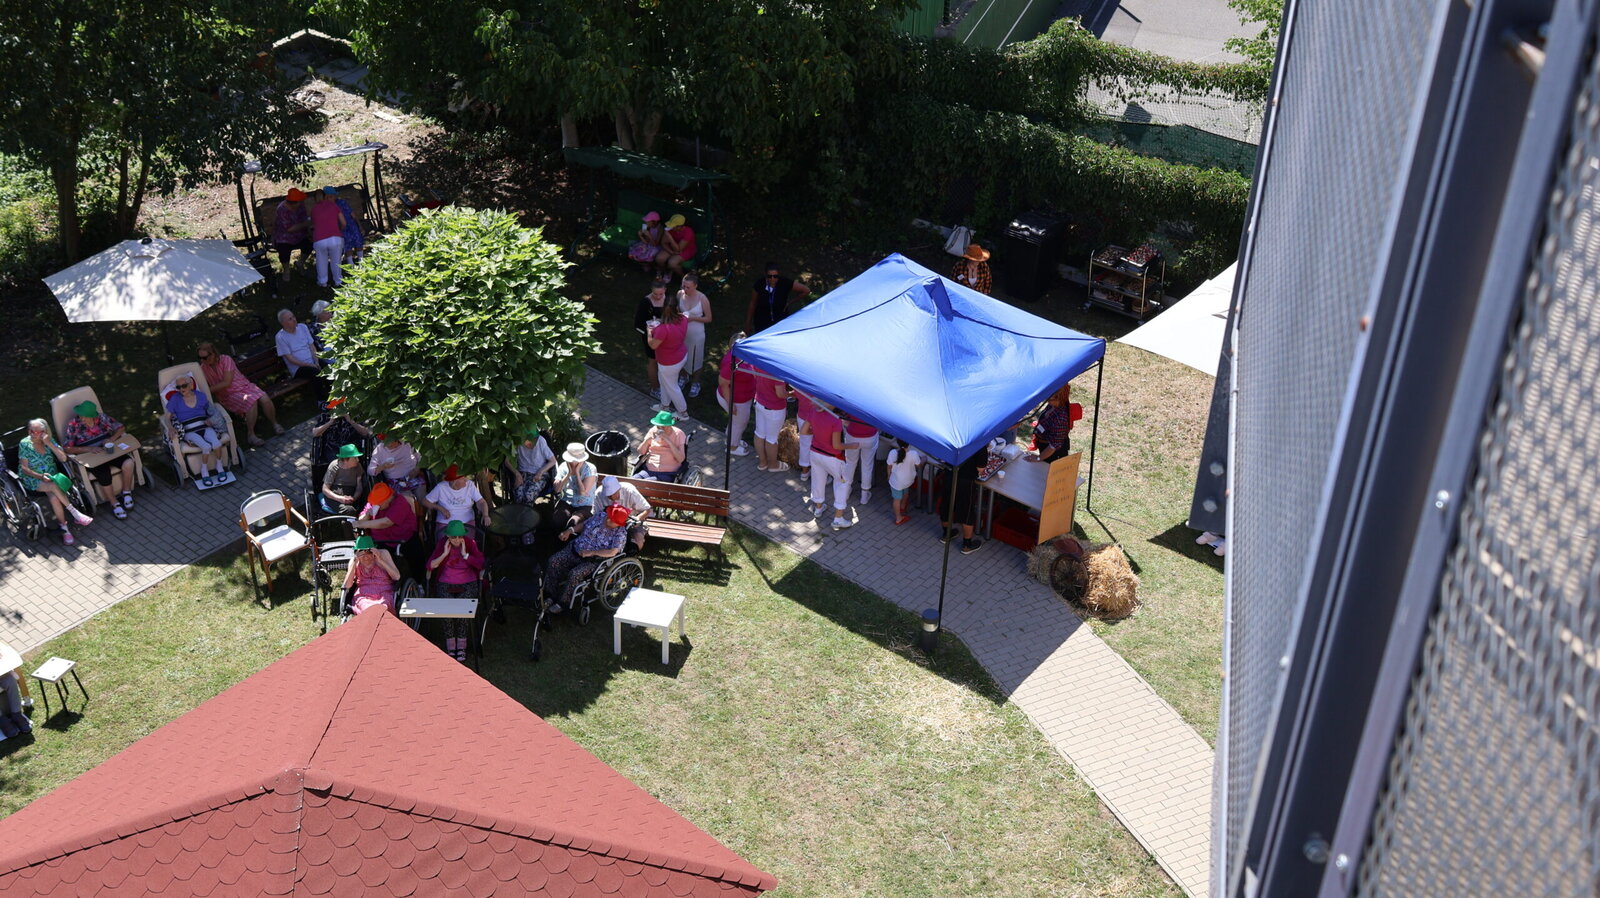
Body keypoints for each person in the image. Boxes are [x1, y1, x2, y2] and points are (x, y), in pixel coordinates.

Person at [542, 504, 631, 613]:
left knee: (575, 574)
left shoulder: (620, 533)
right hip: (575, 549)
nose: (608, 520)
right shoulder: (600, 516)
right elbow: (584, 525)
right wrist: (570, 530)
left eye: (612, 521)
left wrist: (592, 553)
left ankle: (563, 603)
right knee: (554, 561)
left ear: (619, 524)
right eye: (609, 517)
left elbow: (612, 552)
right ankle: (550, 595)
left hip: (593, 561)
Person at [15, 419, 93, 544]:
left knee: (54, 497)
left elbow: (63, 458)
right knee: (52, 486)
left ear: (44, 432)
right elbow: (24, 469)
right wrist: (40, 476)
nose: (32, 434)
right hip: (32, 477)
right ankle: (75, 513)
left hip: (52, 475)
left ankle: (64, 528)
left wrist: (49, 443)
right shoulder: (25, 444)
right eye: (30, 431)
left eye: (36, 432)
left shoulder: (49, 440)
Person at [198, 341, 281, 447]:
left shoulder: (225, 359)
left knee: (265, 398)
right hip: (228, 395)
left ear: (213, 353)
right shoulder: (202, 369)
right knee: (251, 401)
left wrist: (208, 390)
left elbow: (227, 382)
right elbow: (202, 386)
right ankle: (251, 435)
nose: (202, 360)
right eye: (200, 358)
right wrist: (205, 391)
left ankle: (275, 424)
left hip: (245, 387)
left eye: (205, 357)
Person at [426, 520, 486, 662]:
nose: (457, 540)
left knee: (462, 609)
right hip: (445, 581)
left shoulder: (470, 543)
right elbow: (430, 565)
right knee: (446, 609)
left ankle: (462, 645)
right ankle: (451, 644)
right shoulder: (442, 544)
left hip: (468, 581)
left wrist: (466, 555)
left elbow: (481, 564)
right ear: (448, 536)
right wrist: (444, 554)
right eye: (453, 537)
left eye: (460, 536)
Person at [62, 400, 137, 512]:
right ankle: (114, 503)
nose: (81, 418)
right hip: (91, 456)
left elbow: (121, 428)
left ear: (92, 416)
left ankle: (126, 492)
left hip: (107, 450)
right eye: (80, 415)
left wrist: (111, 439)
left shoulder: (102, 418)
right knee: (104, 474)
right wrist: (89, 449)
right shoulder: (74, 424)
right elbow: (67, 448)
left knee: (128, 463)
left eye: (84, 416)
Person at [165, 376, 232, 489]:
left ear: (191, 385)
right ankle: (204, 472)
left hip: (204, 426)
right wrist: (170, 428)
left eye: (184, 386)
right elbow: (167, 417)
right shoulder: (175, 399)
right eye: (178, 387)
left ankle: (219, 467)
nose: (181, 389)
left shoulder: (201, 396)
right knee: (206, 446)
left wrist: (212, 420)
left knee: (217, 444)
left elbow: (211, 410)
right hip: (189, 431)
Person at [806, 403, 856, 531]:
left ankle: (818, 508)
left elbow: (803, 431)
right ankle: (838, 518)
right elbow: (837, 445)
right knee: (842, 483)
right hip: (833, 458)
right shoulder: (835, 420)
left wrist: (817, 432)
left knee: (817, 480)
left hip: (815, 452)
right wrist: (852, 446)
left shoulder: (813, 411)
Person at [354, 482, 421, 578]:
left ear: (389, 498)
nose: (377, 504)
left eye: (379, 502)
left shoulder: (400, 502)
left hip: (403, 537)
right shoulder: (373, 503)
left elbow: (386, 522)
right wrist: (368, 514)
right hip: (380, 540)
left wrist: (362, 524)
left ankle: (417, 580)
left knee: (414, 554)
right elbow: (360, 520)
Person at [648, 292, 690, 415]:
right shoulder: (683, 319)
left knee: (672, 387)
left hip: (668, 362)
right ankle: (664, 406)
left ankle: (683, 413)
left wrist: (649, 332)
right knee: (663, 381)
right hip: (680, 356)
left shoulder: (663, 329)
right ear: (676, 307)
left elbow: (653, 345)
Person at [422, 464, 489, 538]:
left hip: (466, 522)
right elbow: (425, 502)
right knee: (444, 543)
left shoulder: (470, 485)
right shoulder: (441, 487)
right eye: (463, 478)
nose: (466, 480)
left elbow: (481, 502)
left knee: (468, 543)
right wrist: (440, 508)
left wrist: (485, 515)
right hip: (446, 523)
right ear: (454, 481)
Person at [716, 336, 756, 457]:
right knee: (740, 423)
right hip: (736, 400)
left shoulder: (744, 355)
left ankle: (731, 439)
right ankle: (732, 447)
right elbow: (723, 384)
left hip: (744, 397)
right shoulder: (731, 362)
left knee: (736, 422)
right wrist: (731, 404)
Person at [342, 535, 401, 616]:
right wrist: (355, 562)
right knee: (367, 609)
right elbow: (347, 585)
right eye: (362, 553)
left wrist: (380, 560)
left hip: (384, 593)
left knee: (383, 607)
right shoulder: (354, 561)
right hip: (364, 595)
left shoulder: (383, 554)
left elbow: (397, 577)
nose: (366, 557)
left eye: (369, 552)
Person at [941, 450, 985, 555]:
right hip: (966, 481)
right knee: (967, 511)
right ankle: (966, 545)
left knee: (947, 504)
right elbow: (981, 469)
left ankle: (946, 534)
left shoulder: (954, 440)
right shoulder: (980, 446)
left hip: (949, 475)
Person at [745, 263, 811, 334]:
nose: (772, 279)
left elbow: (806, 290)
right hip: (762, 322)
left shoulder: (785, 282)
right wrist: (748, 323)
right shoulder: (759, 284)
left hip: (780, 321)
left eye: (775, 276)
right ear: (766, 275)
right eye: (769, 276)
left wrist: (790, 302)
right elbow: (753, 304)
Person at [1026, 383, 1083, 463]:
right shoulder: (1052, 405)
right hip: (1044, 447)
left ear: (1059, 398)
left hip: (1054, 454)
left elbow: (1053, 446)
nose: (1047, 401)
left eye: (1049, 399)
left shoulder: (1060, 419)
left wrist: (1038, 458)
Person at [750, 363, 790, 473]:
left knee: (759, 434)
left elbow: (754, 375)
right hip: (775, 409)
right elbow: (780, 394)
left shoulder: (759, 363)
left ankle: (762, 462)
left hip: (759, 402)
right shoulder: (777, 371)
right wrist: (792, 394)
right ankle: (773, 465)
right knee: (771, 439)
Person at [594, 475, 651, 552]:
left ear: (619, 488)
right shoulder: (599, 494)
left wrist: (637, 518)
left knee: (637, 542)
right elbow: (596, 516)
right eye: (609, 495)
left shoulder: (629, 491)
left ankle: (631, 554)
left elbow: (647, 509)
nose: (612, 497)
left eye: (614, 493)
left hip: (632, 520)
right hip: (609, 523)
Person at [634, 279, 669, 402]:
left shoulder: (668, 300)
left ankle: (666, 385)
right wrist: (650, 329)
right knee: (653, 361)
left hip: (666, 336)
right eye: (655, 294)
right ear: (651, 291)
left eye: (661, 294)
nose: (658, 297)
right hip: (651, 337)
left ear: (665, 290)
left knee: (665, 361)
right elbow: (638, 324)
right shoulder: (645, 302)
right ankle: (655, 388)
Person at [677, 273, 711, 399]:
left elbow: (709, 318)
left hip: (697, 333)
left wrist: (693, 318)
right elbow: (678, 310)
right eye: (684, 286)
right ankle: (683, 376)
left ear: (695, 286)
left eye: (688, 287)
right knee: (682, 356)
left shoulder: (702, 298)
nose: (685, 289)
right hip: (682, 332)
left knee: (697, 358)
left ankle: (696, 382)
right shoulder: (679, 294)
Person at [312, 398, 371, 466]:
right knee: (338, 465)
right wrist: (330, 422)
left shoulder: (354, 413)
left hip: (351, 446)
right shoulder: (327, 413)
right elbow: (315, 433)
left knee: (351, 463)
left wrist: (351, 421)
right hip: (333, 448)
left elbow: (365, 432)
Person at [310, 186, 348, 288]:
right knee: (336, 261)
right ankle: (338, 281)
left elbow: (314, 225)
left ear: (314, 199)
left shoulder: (313, 210)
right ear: (325, 196)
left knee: (321, 261)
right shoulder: (333, 205)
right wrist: (339, 230)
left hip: (319, 239)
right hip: (335, 238)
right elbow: (343, 223)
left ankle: (322, 282)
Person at [506, 427, 556, 504]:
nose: (531, 443)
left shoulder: (540, 441)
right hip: (522, 473)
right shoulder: (517, 442)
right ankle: (520, 511)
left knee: (528, 495)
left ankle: (527, 512)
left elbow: (553, 461)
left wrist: (541, 472)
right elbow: (506, 461)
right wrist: (517, 474)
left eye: (534, 440)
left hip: (539, 475)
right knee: (518, 495)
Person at [552, 442, 598, 527]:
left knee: (573, 523)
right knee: (557, 519)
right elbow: (557, 489)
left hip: (585, 505)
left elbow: (582, 492)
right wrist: (568, 474)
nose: (571, 462)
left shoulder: (590, 469)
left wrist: (577, 473)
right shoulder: (563, 466)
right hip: (567, 501)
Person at [368, 433, 427, 499]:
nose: (391, 444)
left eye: (394, 441)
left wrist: (417, 468)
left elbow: (419, 457)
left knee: (422, 495)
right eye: (388, 442)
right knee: (407, 499)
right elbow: (370, 471)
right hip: (396, 481)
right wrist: (383, 466)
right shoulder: (379, 450)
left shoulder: (406, 443)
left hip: (414, 476)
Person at [271, 188, 313, 281]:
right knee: (283, 250)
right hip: (284, 236)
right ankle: (286, 270)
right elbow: (289, 229)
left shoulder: (301, 206)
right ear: (294, 203)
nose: (301, 202)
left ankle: (300, 263)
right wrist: (305, 224)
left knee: (310, 243)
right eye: (300, 201)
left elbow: (304, 219)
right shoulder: (282, 209)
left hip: (300, 234)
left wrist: (309, 232)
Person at [275, 309, 325, 384]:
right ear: (283, 323)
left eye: (293, 317)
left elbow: (312, 347)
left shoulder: (303, 327)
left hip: (313, 362)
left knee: (327, 367)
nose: (294, 320)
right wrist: (310, 365)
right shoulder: (280, 337)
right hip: (299, 368)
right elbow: (290, 359)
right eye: (290, 319)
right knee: (316, 373)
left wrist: (316, 361)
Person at [635, 411, 687, 481]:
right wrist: (647, 440)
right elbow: (641, 451)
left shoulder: (678, 434)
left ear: (670, 425)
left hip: (667, 473)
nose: (660, 429)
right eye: (658, 426)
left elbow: (681, 459)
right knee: (632, 480)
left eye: (663, 427)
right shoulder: (653, 430)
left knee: (646, 483)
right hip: (649, 470)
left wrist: (668, 440)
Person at [842, 413, 880, 505]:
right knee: (867, 465)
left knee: (850, 463)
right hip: (870, 436)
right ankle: (864, 495)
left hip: (852, 435)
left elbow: (844, 416)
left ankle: (846, 491)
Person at [321, 443, 368, 515]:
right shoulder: (334, 466)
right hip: (334, 495)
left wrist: (354, 498)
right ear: (346, 459)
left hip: (351, 493)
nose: (358, 460)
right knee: (349, 510)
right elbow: (325, 489)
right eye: (355, 458)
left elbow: (359, 486)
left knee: (355, 508)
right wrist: (339, 498)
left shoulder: (358, 467)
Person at [885, 439, 924, 526]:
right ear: (908, 444)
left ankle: (898, 518)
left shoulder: (892, 453)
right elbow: (919, 466)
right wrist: (923, 459)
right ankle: (902, 507)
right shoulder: (914, 454)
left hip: (896, 482)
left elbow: (889, 466)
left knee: (896, 499)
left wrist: (888, 476)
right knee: (906, 493)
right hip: (908, 481)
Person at [793, 391, 818, 480]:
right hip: (817, 417)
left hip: (802, 416)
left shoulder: (801, 385)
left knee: (804, 445)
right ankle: (818, 474)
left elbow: (796, 394)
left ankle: (805, 472)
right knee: (819, 445)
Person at [334, 194, 365, 265]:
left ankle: (355, 263)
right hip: (346, 226)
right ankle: (356, 263)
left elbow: (352, 214)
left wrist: (359, 225)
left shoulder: (340, 203)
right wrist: (359, 225)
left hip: (346, 226)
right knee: (353, 244)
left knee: (351, 245)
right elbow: (352, 214)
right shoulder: (340, 203)